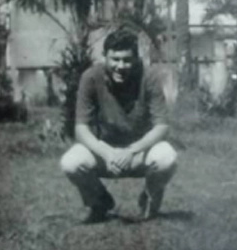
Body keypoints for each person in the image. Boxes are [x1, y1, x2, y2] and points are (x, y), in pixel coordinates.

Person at [60, 27, 178, 224]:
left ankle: (149, 200)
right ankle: (100, 203)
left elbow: (162, 126)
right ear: (104, 57)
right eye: (115, 59)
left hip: (139, 153)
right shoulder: (90, 77)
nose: (121, 66)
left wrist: (131, 151)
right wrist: (106, 152)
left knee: (167, 157)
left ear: (136, 59)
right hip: (104, 153)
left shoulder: (149, 77)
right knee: (71, 162)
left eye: (127, 59)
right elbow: (81, 129)